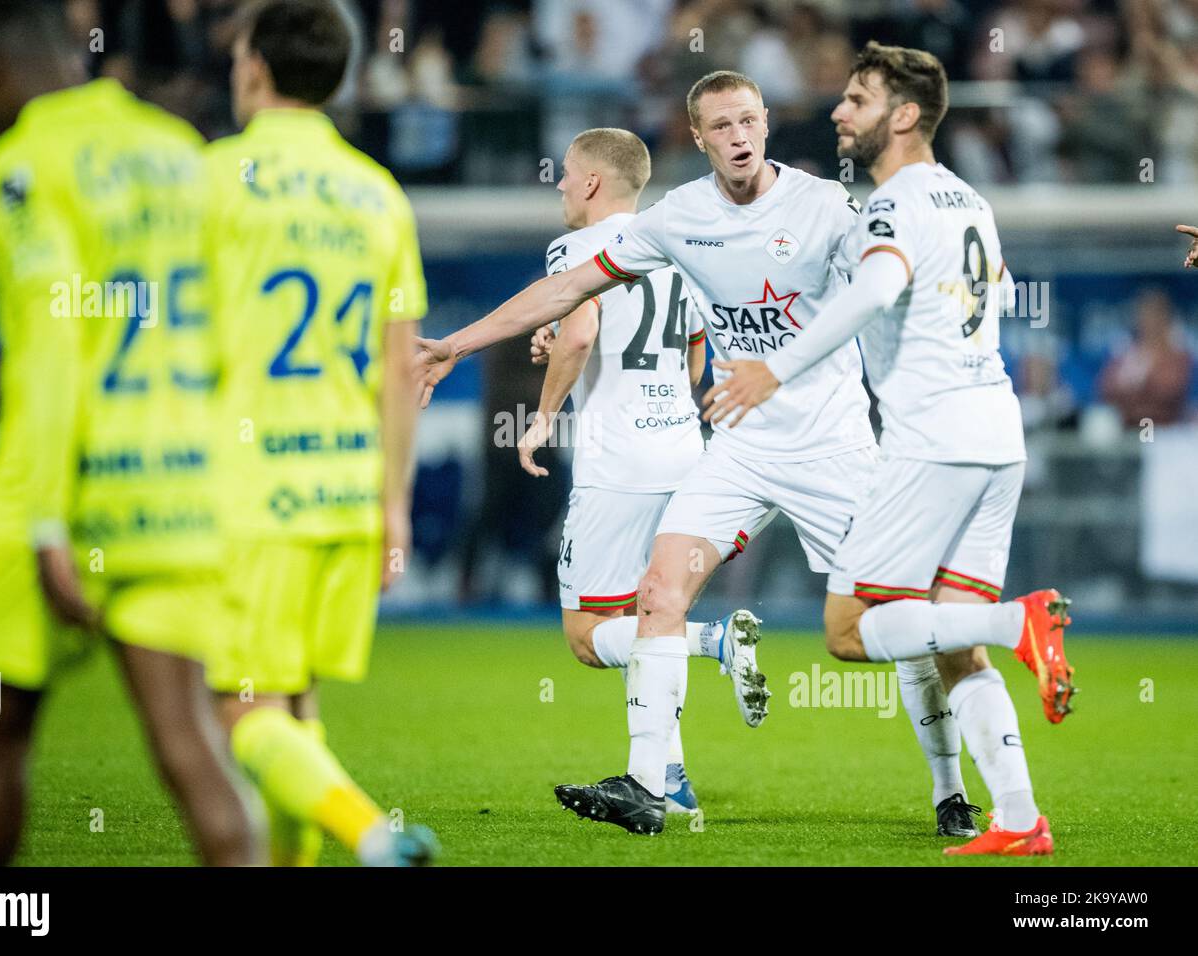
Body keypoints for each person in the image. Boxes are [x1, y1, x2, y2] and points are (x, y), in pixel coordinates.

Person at [418, 69, 981, 840]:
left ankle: (950, 790)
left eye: (749, 120)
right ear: (699, 137)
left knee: (887, 619)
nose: (739, 135)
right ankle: (650, 786)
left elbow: (898, 274)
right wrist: (455, 342)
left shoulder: (823, 206)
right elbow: (566, 295)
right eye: (722, 126)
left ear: (767, 124)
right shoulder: (679, 217)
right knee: (657, 593)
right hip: (736, 451)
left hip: (835, 448)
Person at [702, 42, 1074, 856]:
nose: (839, 111)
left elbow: (874, 291)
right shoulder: (969, 198)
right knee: (950, 639)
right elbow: (998, 292)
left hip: (932, 442)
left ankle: (1023, 623)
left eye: (858, 100)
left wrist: (773, 369)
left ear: (903, 116)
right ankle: (1018, 818)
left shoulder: (894, 202)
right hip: (995, 437)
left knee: (845, 627)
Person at [0, 0, 256, 866]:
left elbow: (51, 348)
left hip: (57, 492)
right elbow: (224, 329)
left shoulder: (24, 165)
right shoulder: (178, 151)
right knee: (190, 743)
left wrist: (47, 523)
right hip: (173, 484)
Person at [203, 0, 436, 866]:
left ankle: (371, 836)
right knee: (292, 708)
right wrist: (396, 507)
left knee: (239, 709)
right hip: (348, 490)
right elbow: (398, 367)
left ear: (256, 68)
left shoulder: (215, 180)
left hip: (250, 491)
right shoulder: (378, 194)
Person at [519, 126, 767, 817]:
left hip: (617, 465)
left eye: (567, 173)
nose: (562, 185)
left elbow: (579, 332)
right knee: (649, 613)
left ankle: (711, 641)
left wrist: (543, 416)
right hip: (684, 455)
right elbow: (693, 356)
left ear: (595, 182)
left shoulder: (577, 248)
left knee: (588, 637)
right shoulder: (677, 247)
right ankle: (671, 780)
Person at [1099, 288, 1193, 429]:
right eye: (1144, 314)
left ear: (1165, 317)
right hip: (1127, 429)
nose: (1148, 321)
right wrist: (1140, 392)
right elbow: (1105, 388)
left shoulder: (1178, 354)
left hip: (1164, 431)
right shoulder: (1125, 352)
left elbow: (1167, 391)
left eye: (1154, 314)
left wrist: (1132, 391)